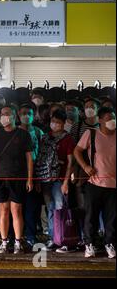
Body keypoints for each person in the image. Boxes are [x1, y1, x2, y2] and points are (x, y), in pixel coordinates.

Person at [0, 105, 33, 254]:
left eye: (7, 114)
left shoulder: (23, 135)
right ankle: (4, 241)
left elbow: (29, 158)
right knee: (3, 210)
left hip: (18, 178)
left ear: (15, 116)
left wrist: (29, 179)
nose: (3, 117)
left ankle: (18, 242)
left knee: (16, 210)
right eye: (1, 114)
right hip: (0, 178)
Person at [74, 107, 116, 259]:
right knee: (91, 216)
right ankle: (89, 244)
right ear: (100, 120)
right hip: (95, 183)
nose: (112, 121)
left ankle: (109, 244)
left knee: (112, 218)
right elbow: (77, 151)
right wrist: (85, 166)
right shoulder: (91, 133)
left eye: (114, 118)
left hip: (114, 186)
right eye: (109, 118)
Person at [35, 110, 75, 252]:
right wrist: (39, 180)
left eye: (58, 122)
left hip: (59, 180)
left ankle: (64, 239)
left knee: (60, 208)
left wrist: (65, 182)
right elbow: (40, 159)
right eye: (53, 121)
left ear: (64, 124)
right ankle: (53, 238)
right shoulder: (45, 137)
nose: (55, 124)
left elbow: (71, 162)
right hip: (45, 179)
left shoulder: (68, 139)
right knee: (50, 208)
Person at [18, 104, 44, 247]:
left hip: (33, 174)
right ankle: (16, 235)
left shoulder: (39, 133)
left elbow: (41, 156)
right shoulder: (14, 132)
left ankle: (30, 235)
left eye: (29, 113)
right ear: (18, 115)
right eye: (23, 113)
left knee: (31, 207)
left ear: (34, 115)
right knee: (16, 207)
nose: (26, 116)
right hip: (16, 173)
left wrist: (38, 178)